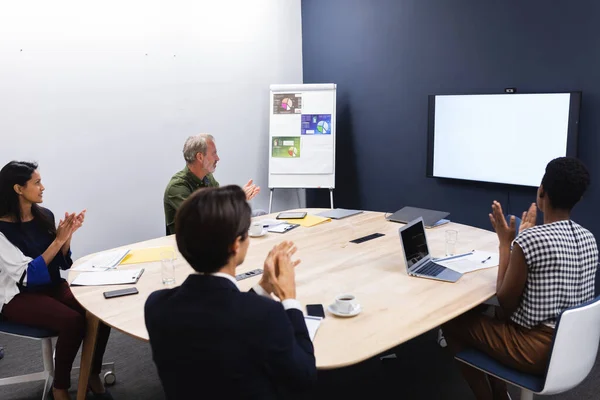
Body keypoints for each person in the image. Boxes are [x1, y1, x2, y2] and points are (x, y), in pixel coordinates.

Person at [443, 157, 598, 400]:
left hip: (538, 349)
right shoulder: (589, 237)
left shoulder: (531, 240)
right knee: (491, 318)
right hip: (574, 347)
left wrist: (507, 244)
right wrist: (517, 245)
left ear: (541, 191)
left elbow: (505, 300)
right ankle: (500, 394)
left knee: (452, 323)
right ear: (578, 199)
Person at [146, 185, 317, 399]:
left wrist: (263, 286)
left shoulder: (156, 305)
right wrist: (289, 299)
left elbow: (223, 320)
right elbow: (304, 376)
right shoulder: (265, 314)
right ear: (236, 245)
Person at [0, 161, 113, 400]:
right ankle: (60, 387)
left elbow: (60, 262)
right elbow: (26, 276)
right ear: (18, 189)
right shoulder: (1, 230)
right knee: (73, 321)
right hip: (18, 295)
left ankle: (91, 373)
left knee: (100, 310)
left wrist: (67, 238)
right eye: (37, 182)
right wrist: (58, 241)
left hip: (51, 285)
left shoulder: (44, 215)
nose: (43, 187)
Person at [163, 134, 262, 234]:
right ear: (200, 157)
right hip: (192, 243)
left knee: (260, 214)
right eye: (214, 153)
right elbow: (202, 219)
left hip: (210, 235)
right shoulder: (177, 186)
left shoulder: (208, 178)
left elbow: (220, 206)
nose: (218, 158)